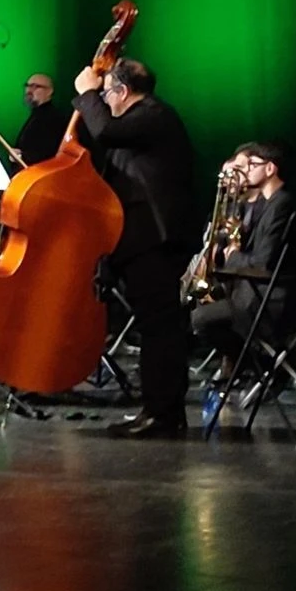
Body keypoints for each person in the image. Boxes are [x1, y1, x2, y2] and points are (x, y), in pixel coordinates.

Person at [73, 57, 195, 438]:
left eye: (107, 93)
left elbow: (105, 131)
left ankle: (163, 414)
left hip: (155, 240)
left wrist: (86, 93)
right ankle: (158, 410)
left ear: (122, 91)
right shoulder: (140, 124)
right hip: (139, 240)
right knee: (152, 328)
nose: (105, 101)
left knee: (160, 328)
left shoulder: (154, 115)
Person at [191, 141, 296, 380]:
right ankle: (257, 365)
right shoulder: (272, 204)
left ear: (270, 169)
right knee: (199, 305)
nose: (245, 171)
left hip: (267, 298)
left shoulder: (282, 203)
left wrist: (234, 256)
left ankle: (263, 366)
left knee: (201, 318)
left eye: (252, 165)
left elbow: (264, 259)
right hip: (254, 292)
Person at [14, 73, 73, 165]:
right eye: (28, 86)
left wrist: (22, 156)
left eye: (35, 86)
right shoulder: (37, 114)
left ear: (49, 91)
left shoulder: (53, 118)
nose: (29, 90)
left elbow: (48, 154)